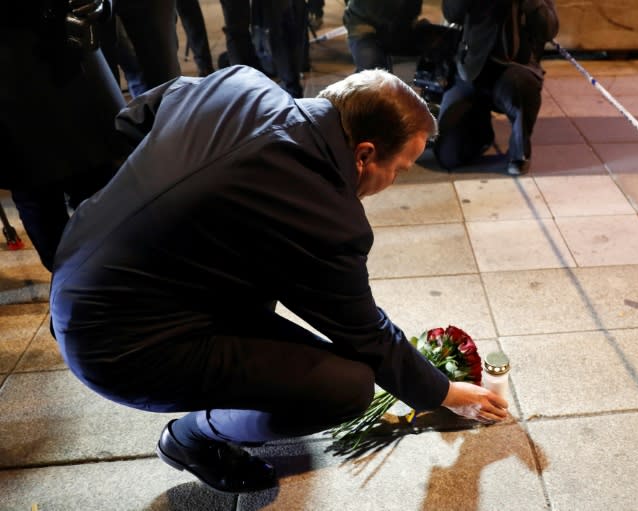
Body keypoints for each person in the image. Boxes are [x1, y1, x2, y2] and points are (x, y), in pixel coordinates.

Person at [49, 67, 509, 493]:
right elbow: (365, 334)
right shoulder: (325, 213)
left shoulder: (239, 84)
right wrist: (442, 392)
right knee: (345, 387)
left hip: (76, 270)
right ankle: (190, 438)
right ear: (365, 154)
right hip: (121, 347)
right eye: (399, 169)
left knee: (258, 278)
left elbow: (133, 121)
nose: (394, 180)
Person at [1, 0, 130, 271]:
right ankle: (75, 298)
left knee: (116, 213)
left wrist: (102, 4)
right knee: (46, 221)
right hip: (13, 90)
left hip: (78, 70)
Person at [432, 0, 559, 175]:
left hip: (515, 66)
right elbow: (452, 13)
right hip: (471, 68)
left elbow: (549, 30)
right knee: (448, 155)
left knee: (520, 87)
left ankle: (519, 152)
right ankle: (481, 132)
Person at [343, 0, 455, 73]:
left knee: (452, 41)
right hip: (366, 28)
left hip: (405, 28)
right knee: (373, 74)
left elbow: (455, 12)